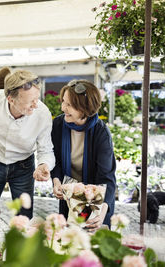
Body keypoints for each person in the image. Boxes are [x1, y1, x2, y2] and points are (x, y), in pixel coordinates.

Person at [0, 67, 56, 221]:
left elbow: (46, 148)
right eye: (30, 101)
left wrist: (43, 165)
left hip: (23, 168)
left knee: (24, 218)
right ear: (11, 99)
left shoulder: (42, 114)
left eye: (37, 98)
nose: (35, 105)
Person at [50, 79, 116, 230]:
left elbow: (107, 177)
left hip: (96, 198)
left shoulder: (101, 133)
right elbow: (56, 160)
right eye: (63, 102)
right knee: (69, 241)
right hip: (69, 197)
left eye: (69, 105)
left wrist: (101, 211)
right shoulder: (58, 125)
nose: (63, 108)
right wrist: (56, 181)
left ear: (84, 108)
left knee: (92, 243)